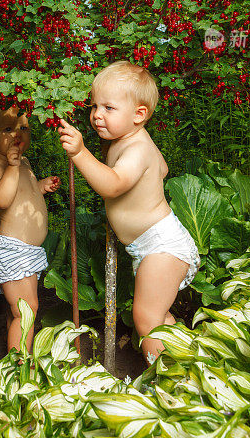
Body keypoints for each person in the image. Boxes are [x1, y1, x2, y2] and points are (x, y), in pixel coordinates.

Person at [58, 61, 199, 362]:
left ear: (139, 115)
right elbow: (162, 169)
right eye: (95, 106)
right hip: (150, 245)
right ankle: (185, 361)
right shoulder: (133, 142)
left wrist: (81, 153)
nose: (97, 115)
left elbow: (114, 184)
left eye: (109, 108)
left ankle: (163, 382)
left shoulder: (136, 148)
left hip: (162, 245)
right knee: (157, 319)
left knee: (145, 319)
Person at [0, 105, 60, 352]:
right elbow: (2, 200)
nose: (18, 133)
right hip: (12, 249)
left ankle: (15, 357)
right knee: (27, 309)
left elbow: (24, 194)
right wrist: (12, 168)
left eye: (23, 128)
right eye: (8, 129)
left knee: (19, 310)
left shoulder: (23, 162)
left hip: (29, 251)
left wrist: (40, 186)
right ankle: (19, 366)